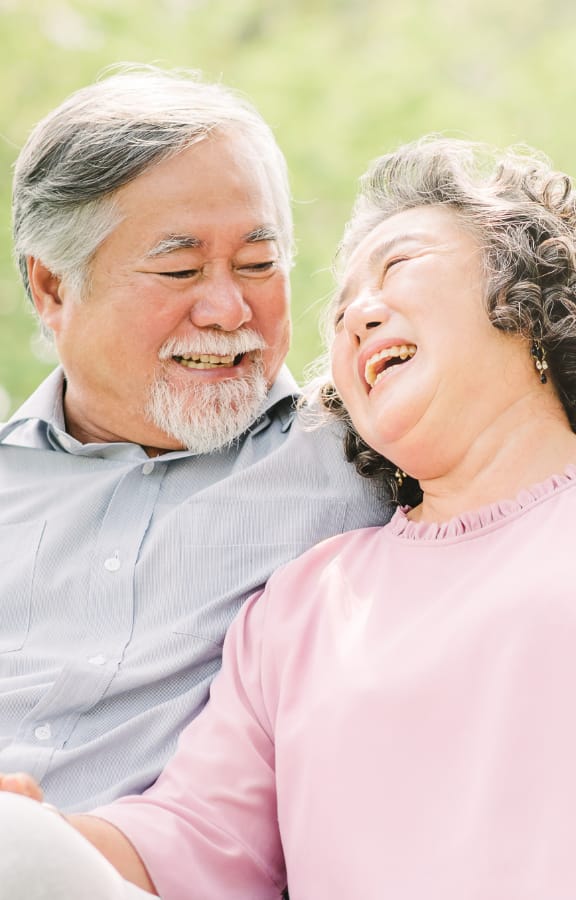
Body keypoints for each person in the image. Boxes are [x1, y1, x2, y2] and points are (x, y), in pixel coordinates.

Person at [4, 133, 576, 899]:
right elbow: (199, 837)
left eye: (398, 265)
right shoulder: (301, 605)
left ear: (527, 295)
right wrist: (38, 838)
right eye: (339, 310)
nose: (356, 315)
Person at [0, 64, 389, 814]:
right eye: (178, 269)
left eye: (258, 264)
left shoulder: (367, 455)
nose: (225, 307)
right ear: (53, 289)